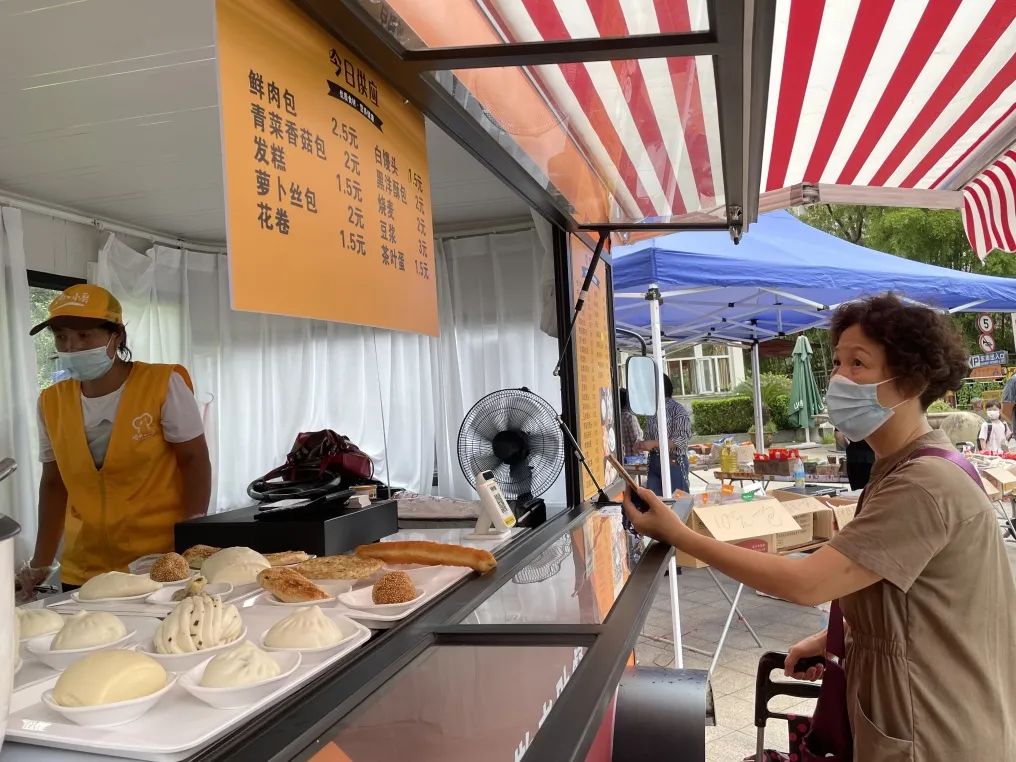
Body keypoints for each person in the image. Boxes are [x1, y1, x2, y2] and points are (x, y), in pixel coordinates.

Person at [623, 294, 1016, 760]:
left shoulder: (923, 483)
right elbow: (911, 603)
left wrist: (682, 536)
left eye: (858, 363)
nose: (838, 379)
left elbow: (808, 583)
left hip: (935, 731)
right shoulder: (906, 466)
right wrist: (841, 640)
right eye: (836, 362)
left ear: (910, 379)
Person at [18, 285, 212, 594]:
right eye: (62, 337)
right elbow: (54, 483)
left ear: (116, 336)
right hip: (83, 568)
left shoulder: (162, 384)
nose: (72, 347)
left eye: (85, 336)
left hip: (157, 560)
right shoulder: (51, 401)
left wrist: (192, 543)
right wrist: (40, 561)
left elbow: (195, 460)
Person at [637, 374, 691, 495]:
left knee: (677, 505)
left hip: (673, 462)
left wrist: (654, 443)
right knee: (655, 505)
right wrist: (643, 444)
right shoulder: (652, 411)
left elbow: (681, 441)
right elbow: (649, 437)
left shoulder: (677, 410)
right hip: (654, 461)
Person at [618, 388, 644, 464]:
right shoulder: (630, 417)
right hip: (633, 461)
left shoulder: (616, 417)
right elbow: (637, 442)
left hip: (622, 460)